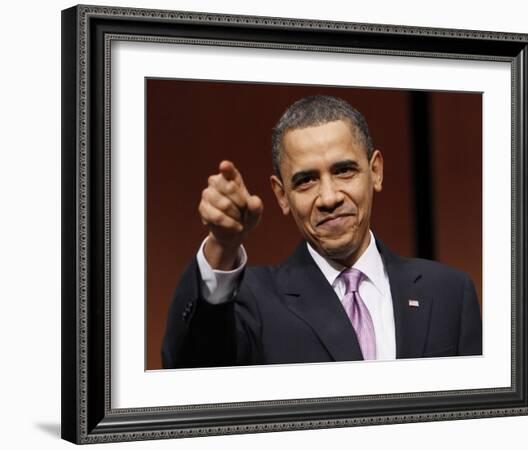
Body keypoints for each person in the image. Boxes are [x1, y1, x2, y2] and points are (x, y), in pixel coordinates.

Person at [161, 95, 482, 368]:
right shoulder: (251, 302)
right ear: (281, 195)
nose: (329, 198)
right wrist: (223, 244)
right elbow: (189, 369)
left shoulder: (449, 292)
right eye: (306, 181)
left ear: (376, 172)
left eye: (344, 171)